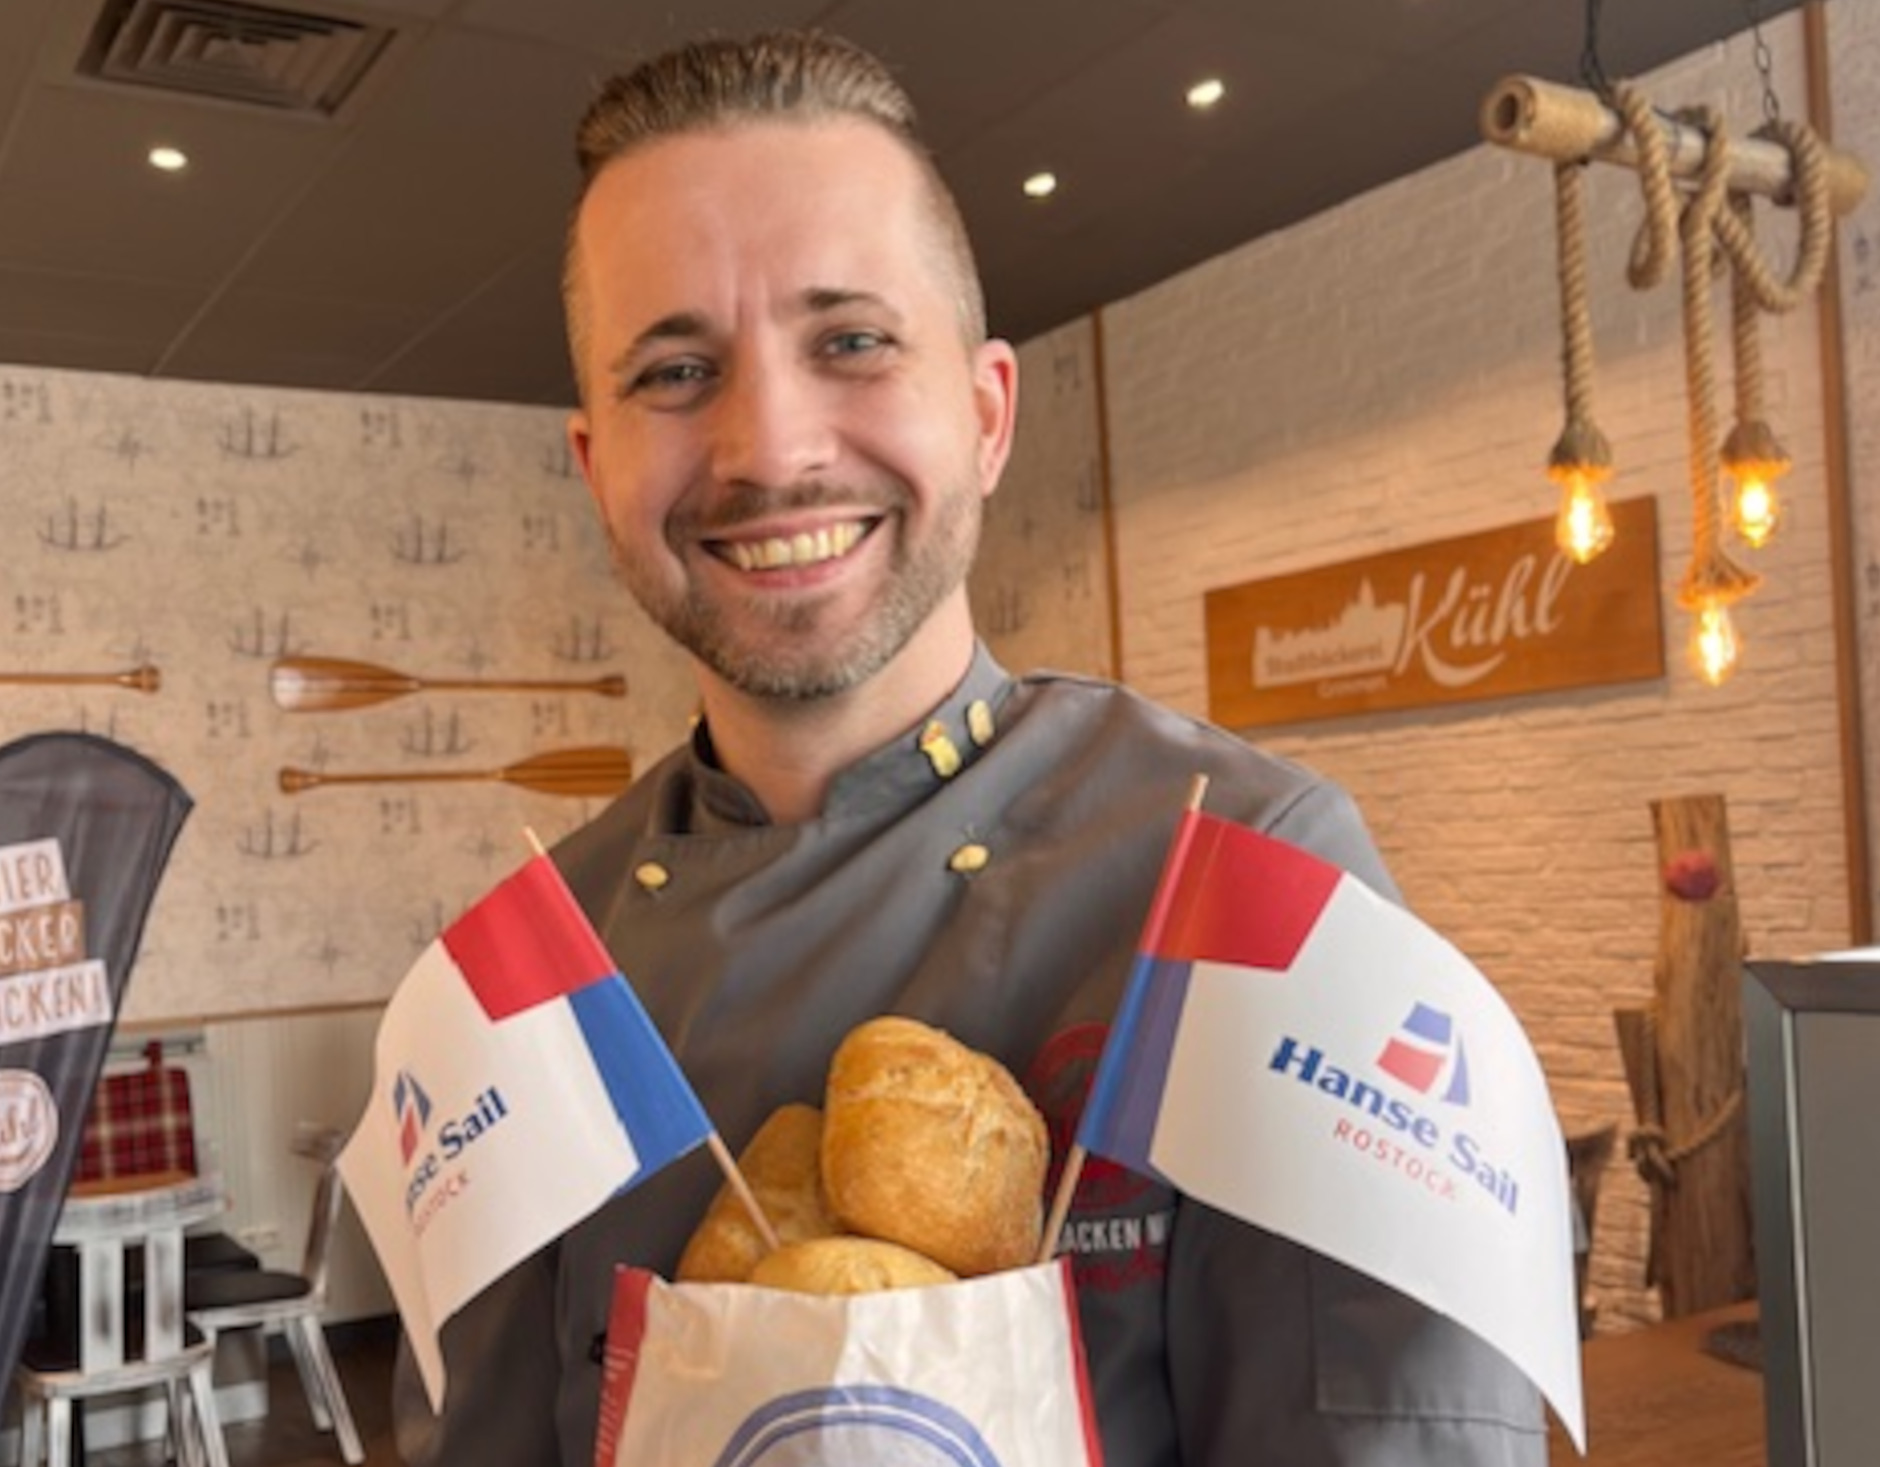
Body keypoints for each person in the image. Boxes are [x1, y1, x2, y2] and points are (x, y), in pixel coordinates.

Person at [394, 29, 1546, 1467]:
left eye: (852, 342)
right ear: (595, 469)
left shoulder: (1252, 887)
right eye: (677, 370)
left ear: (989, 411)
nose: (769, 445)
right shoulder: (523, 988)